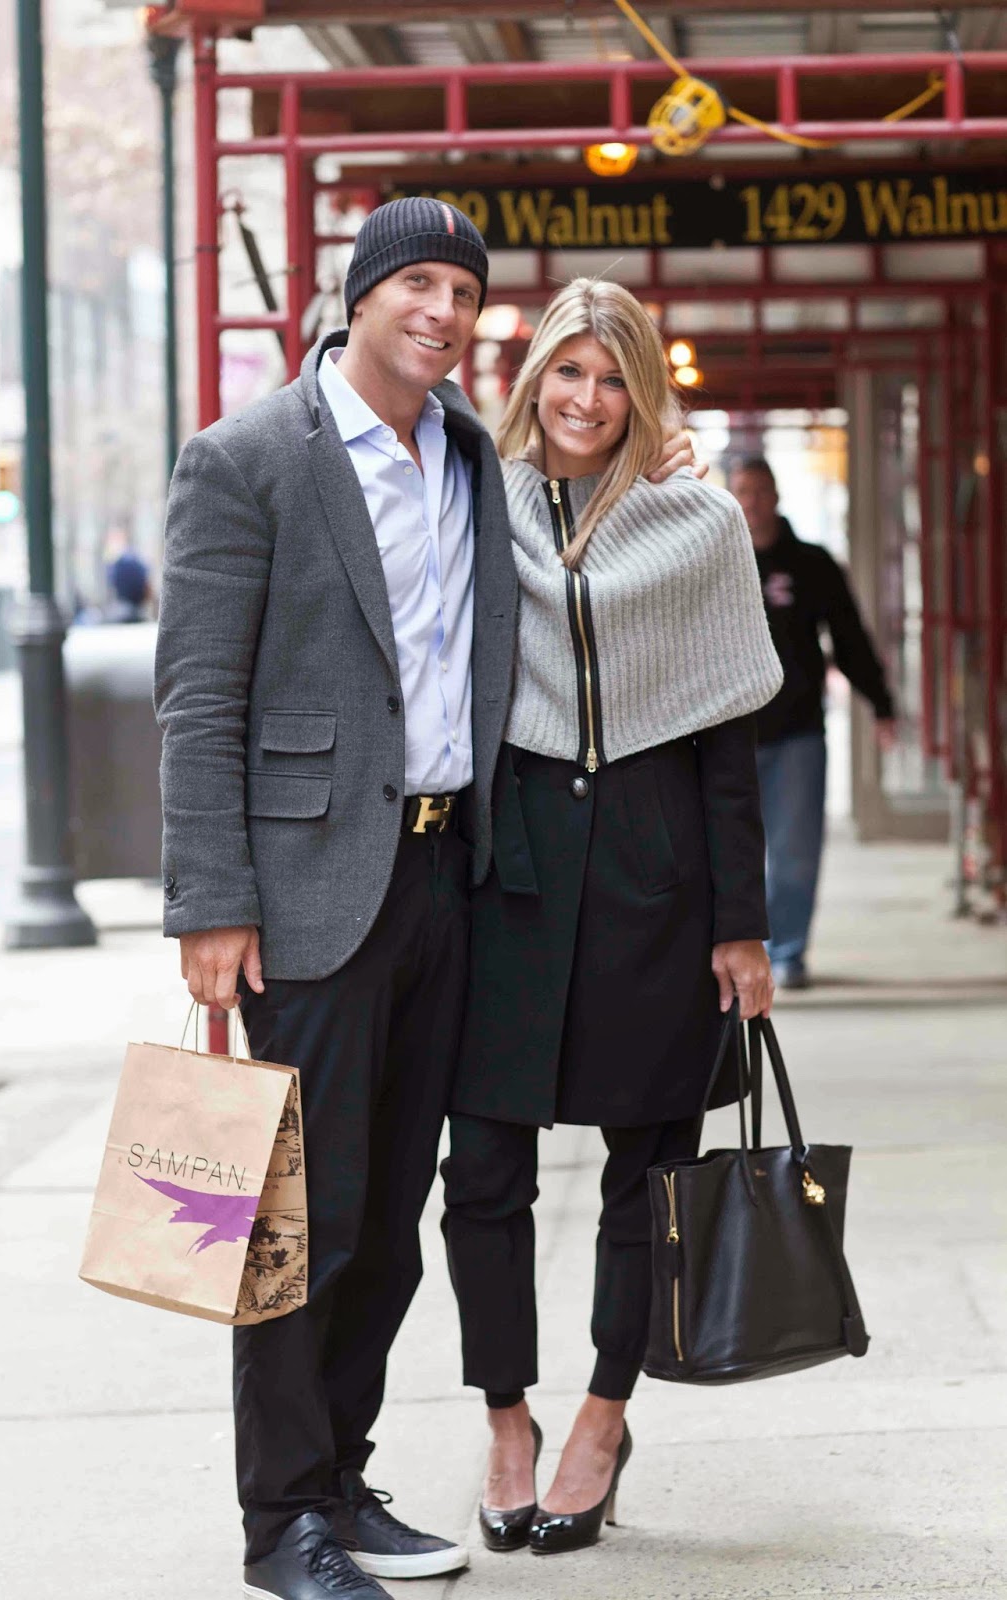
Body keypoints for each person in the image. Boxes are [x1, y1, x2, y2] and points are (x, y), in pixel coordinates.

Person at [156, 202, 698, 1598]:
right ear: (358, 297)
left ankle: (339, 1477)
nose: (441, 309)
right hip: (304, 898)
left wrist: (658, 462)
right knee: (300, 1222)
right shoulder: (247, 458)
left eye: (462, 288)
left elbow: (585, 504)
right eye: (415, 282)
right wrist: (210, 900)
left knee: (393, 1217)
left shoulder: (465, 450)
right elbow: (198, 697)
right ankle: (283, 1521)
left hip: (448, 880)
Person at [440, 279, 784, 1559]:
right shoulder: (473, 498)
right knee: (482, 1173)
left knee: (648, 1177)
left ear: (645, 392)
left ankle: (600, 1417)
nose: (585, 400)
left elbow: (726, 738)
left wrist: (740, 923)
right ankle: (505, 1417)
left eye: (611, 378)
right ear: (532, 380)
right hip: (510, 875)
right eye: (566, 373)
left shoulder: (698, 522)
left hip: (657, 873)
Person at [729, 457, 897, 989]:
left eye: (761, 491)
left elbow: (849, 638)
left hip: (797, 732)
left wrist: (882, 704)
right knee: (732, 853)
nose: (752, 502)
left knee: (795, 853)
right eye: (742, 491)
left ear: (776, 496)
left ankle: (788, 952)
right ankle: (742, 949)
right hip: (730, 733)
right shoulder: (717, 561)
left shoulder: (811, 564)